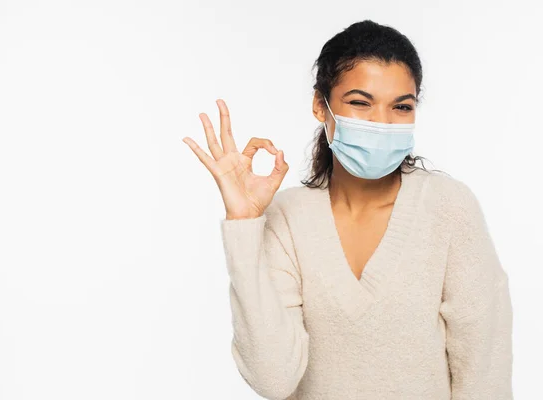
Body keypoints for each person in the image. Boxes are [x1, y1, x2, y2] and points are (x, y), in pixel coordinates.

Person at [182, 20, 513, 400]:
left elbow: (484, 373)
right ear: (320, 107)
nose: (382, 123)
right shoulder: (286, 218)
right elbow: (273, 379)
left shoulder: (450, 209)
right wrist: (244, 224)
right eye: (360, 103)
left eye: (401, 107)